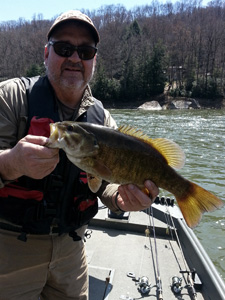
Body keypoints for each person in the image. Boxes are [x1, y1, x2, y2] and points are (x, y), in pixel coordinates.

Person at [0, 10, 159, 300]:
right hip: (9, 246)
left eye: (85, 51)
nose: (75, 58)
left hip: (71, 249)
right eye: (64, 49)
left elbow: (106, 181)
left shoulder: (103, 119)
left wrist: (120, 199)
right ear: (47, 53)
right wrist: (11, 163)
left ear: (94, 61)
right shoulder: (10, 98)